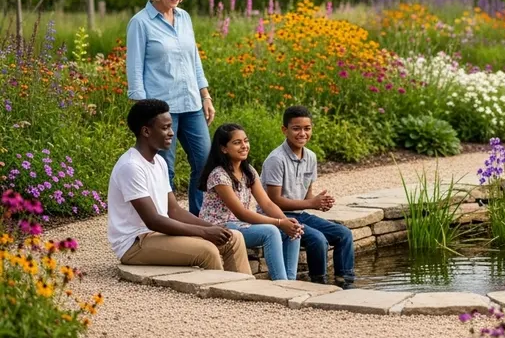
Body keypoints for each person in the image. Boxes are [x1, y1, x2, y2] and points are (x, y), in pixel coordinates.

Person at [108, 99, 250, 273]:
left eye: (170, 127)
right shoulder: (131, 166)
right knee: (207, 251)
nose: (171, 133)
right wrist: (204, 233)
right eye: (165, 127)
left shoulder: (159, 161)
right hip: (135, 243)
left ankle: (240, 294)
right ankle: (218, 297)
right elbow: (153, 220)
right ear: (146, 131)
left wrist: (211, 227)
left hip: (157, 236)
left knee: (234, 237)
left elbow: (174, 210)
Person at [126, 0, 213, 217]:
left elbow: (194, 60)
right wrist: (144, 112)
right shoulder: (140, 23)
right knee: (166, 168)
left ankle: (201, 217)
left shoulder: (184, 17)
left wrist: (205, 95)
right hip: (161, 110)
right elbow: (134, 70)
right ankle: (168, 220)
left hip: (192, 104)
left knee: (205, 162)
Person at [260, 106, 355, 286]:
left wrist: (319, 202)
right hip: (278, 216)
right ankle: (319, 282)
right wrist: (312, 203)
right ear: (284, 130)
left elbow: (307, 196)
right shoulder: (276, 159)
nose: (302, 133)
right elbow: (273, 201)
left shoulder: (311, 156)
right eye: (296, 128)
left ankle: (346, 281)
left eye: (307, 128)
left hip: (300, 214)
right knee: (317, 239)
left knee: (344, 234)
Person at [199, 123, 303, 281]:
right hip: (221, 226)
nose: (244, 146)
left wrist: (287, 222)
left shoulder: (249, 171)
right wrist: (279, 223)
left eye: (245, 141)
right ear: (223, 148)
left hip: (241, 224)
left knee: (293, 231)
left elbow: (267, 203)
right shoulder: (219, 175)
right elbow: (241, 212)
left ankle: (290, 281)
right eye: (237, 142)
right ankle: (281, 283)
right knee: (271, 231)